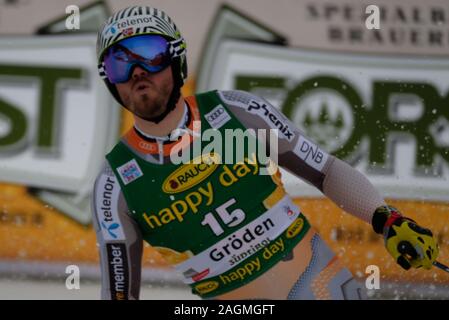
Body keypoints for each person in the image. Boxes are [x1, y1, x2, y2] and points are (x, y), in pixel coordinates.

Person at [91, 6, 439, 300]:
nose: (138, 71)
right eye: (120, 63)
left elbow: (325, 170)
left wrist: (388, 219)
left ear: (177, 58)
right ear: (111, 81)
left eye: (150, 54)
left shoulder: (235, 111)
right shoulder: (115, 183)